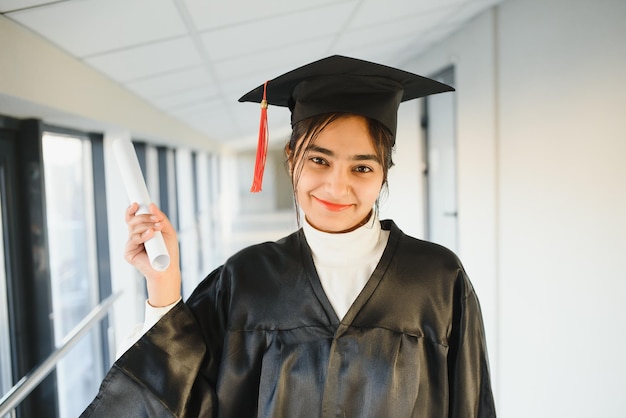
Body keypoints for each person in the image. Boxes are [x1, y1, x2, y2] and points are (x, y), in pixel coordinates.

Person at [82, 55, 496, 417]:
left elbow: (471, 405)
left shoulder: (437, 279)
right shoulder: (246, 278)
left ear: (384, 173)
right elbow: (177, 397)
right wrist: (163, 284)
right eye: (319, 159)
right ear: (291, 157)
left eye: (362, 168)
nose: (337, 187)